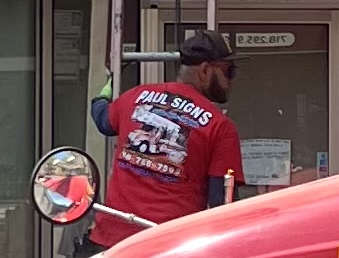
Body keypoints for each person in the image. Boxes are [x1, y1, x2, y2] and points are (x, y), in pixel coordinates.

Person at [90, 28, 244, 233]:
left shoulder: (135, 96)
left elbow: (103, 121)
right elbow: (223, 204)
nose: (231, 81)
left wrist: (101, 98)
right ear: (205, 71)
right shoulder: (220, 127)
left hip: (114, 242)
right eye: (229, 71)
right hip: (168, 248)